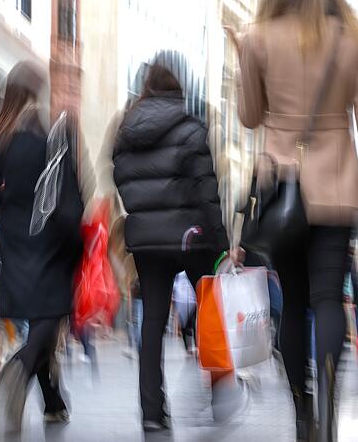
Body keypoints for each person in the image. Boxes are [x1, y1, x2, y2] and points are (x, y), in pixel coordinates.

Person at [228, 0, 358, 439]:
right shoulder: (353, 35)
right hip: (337, 184)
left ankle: (303, 413)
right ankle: (330, 407)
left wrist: (244, 59)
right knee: (329, 300)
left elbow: (250, 115)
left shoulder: (259, 36)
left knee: (293, 303)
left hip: (282, 188)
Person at [112, 52, 228, 431]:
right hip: (188, 236)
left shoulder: (125, 130)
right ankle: (222, 389)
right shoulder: (191, 128)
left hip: (146, 241)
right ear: (177, 93)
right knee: (210, 303)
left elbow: (121, 178)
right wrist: (221, 241)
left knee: (153, 323)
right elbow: (206, 190)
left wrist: (141, 213)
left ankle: (151, 412)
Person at [0, 61, 85, 431]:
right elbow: (69, 191)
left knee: (40, 317)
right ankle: (19, 368)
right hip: (51, 234)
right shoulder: (50, 133)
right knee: (50, 316)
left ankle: (53, 402)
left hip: (14, 235)